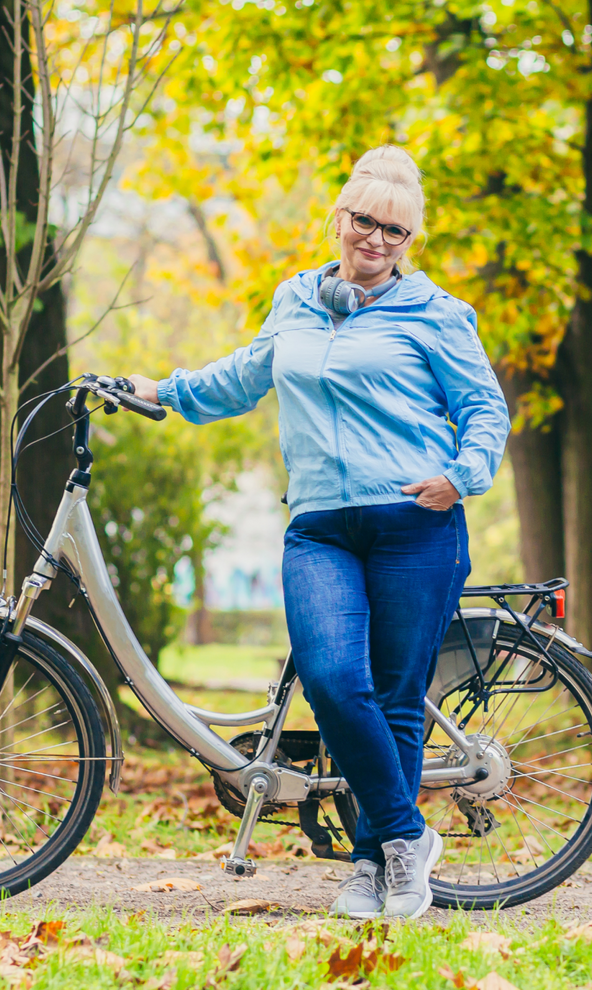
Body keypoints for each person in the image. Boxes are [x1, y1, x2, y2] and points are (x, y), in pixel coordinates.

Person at [127, 146, 509, 920]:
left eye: (394, 232)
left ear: (410, 242)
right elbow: (244, 375)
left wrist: (462, 475)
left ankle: (373, 867)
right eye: (364, 222)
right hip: (320, 527)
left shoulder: (437, 313)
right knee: (334, 680)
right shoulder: (296, 301)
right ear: (339, 219)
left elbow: (484, 410)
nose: (375, 240)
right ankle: (407, 835)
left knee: (399, 699)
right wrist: (161, 391)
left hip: (415, 523)